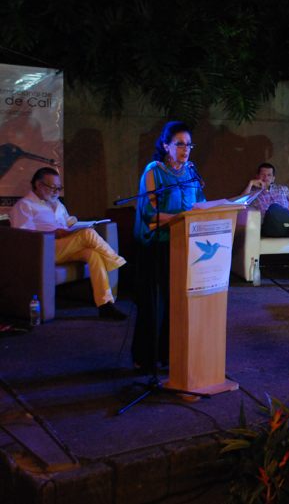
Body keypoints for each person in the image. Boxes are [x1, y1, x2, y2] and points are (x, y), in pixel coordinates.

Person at [131, 121, 206, 371]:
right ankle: (146, 358)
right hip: (157, 246)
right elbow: (149, 213)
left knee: (177, 303)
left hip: (184, 245)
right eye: (180, 144)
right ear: (166, 146)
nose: (186, 149)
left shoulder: (191, 171)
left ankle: (169, 355)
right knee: (155, 304)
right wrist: (181, 218)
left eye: (189, 145)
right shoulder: (155, 171)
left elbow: (201, 205)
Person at [9, 167, 128, 319]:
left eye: (59, 188)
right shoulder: (24, 205)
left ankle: (105, 304)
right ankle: (118, 262)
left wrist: (74, 225)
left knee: (93, 254)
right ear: (38, 185)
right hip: (42, 252)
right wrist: (54, 233)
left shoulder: (58, 204)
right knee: (88, 234)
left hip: (63, 247)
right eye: (53, 187)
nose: (56, 192)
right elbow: (23, 238)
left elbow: (67, 222)